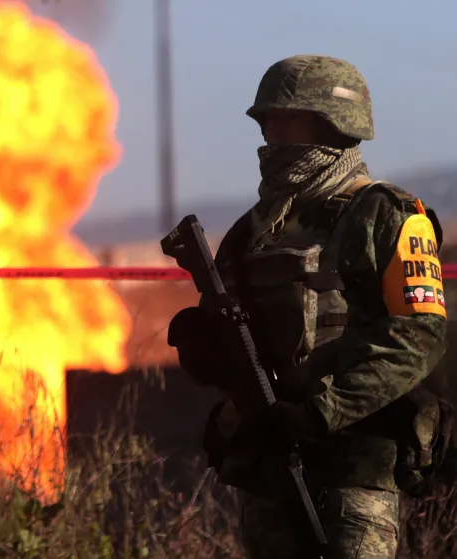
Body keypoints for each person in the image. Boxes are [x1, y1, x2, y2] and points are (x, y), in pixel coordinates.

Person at [167, 54, 449, 559]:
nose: (271, 134)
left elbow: (417, 337)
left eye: (285, 119)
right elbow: (240, 344)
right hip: (269, 468)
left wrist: (321, 411)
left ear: (331, 125)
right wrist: (204, 346)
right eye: (267, 121)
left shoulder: (385, 215)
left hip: (356, 467)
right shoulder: (250, 232)